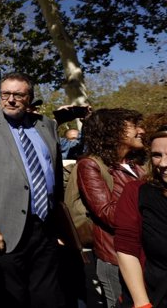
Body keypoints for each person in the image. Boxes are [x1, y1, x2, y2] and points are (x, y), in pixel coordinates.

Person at [0, 72, 65, 308]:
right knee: (9, 299)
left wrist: (60, 223)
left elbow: (56, 174)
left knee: (49, 298)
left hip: (45, 228)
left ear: (29, 97)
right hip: (3, 229)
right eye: (5, 94)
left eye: (18, 95)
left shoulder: (46, 125)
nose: (10, 99)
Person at [77, 108, 146, 308]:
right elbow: (109, 214)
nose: (141, 130)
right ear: (113, 131)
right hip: (116, 259)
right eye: (134, 126)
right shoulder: (91, 165)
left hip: (145, 255)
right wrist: (150, 208)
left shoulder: (138, 164)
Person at [115, 126, 167, 308]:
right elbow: (127, 248)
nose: (162, 163)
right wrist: (142, 303)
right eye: (157, 155)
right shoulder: (136, 192)